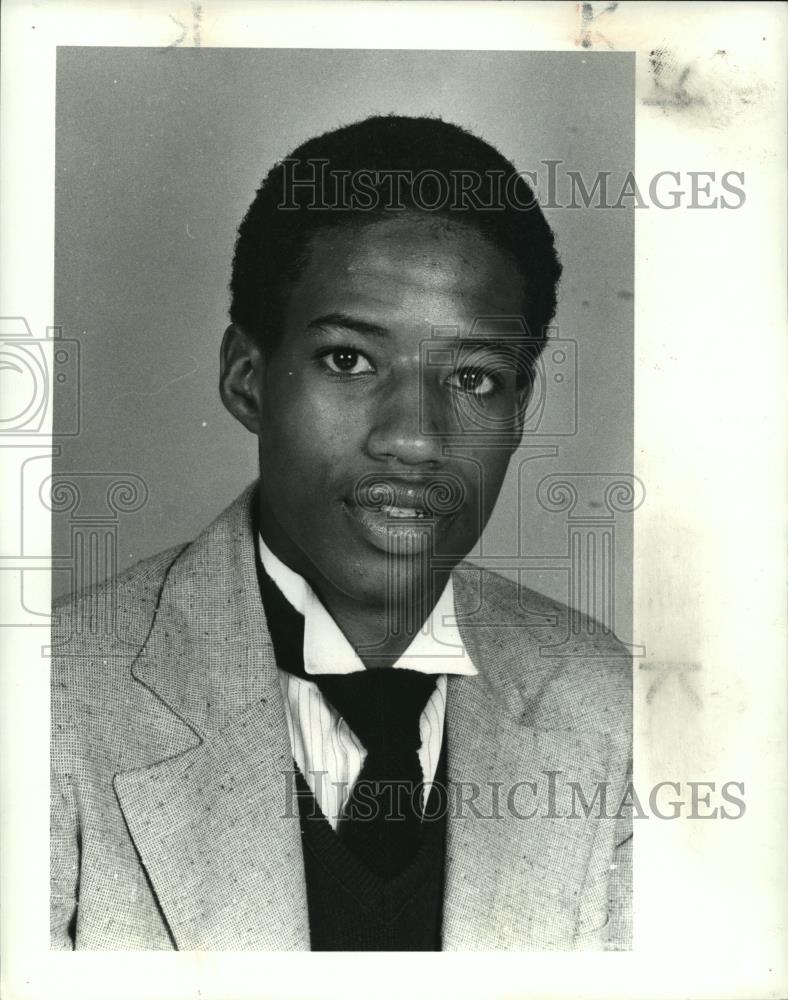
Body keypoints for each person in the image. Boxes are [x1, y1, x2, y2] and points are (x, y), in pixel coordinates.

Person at [50, 115, 632, 951]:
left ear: (520, 408)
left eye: (474, 377)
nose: (417, 438)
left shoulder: (603, 700)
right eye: (350, 361)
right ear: (247, 379)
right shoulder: (49, 704)